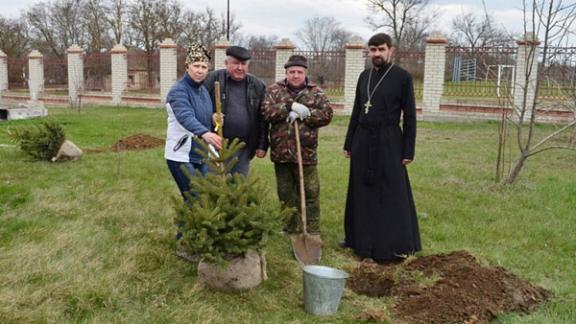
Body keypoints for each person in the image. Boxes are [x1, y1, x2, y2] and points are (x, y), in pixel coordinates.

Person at [342, 33, 421, 262]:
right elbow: (357, 111)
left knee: (389, 190)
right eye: (373, 50)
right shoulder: (364, 76)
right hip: (362, 139)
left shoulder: (402, 77)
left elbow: (411, 116)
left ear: (391, 51)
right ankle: (358, 240)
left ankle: (393, 244)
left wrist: (408, 149)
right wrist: (349, 143)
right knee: (360, 190)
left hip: (389, 140)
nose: (377, 54)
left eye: (381, 49)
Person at [261, 55, 333, 235]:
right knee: (285, 194)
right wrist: (288, 107)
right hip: (281, 152)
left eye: (299, 72)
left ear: (305, 73)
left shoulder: (316, 92)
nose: (295, 75)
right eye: (291, 72)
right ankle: (289, 227)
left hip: (306, 151)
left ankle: (311, 229)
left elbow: (327, 115)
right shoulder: (274, 90)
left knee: (310, 192)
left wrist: (305, 114)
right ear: (286, 73)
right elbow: (266, 111)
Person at [164, 42, 222, 244]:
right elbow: (185, 116)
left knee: (201, 197)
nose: (200, 70)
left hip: (199, 154)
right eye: (196, 65)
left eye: (204, 67)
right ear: (187, 67)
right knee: (193, 198)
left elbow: (202, 116)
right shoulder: (178, 91)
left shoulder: (203, 92)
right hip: (180, 155)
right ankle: (184, 242)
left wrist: (213, 118)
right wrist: (205, 133)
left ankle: (196, 238)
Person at [203, 45, 268, 176]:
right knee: (215, 182)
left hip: (244, 146)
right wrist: (211, 117)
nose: (240, 67)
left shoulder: (257, 85)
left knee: (239, 184)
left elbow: (263, 118)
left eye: (243, 64)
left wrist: (262, 145)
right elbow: (199, 106)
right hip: (216, 144)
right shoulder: (212, 80)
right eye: (235, 63)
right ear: (226, 63)